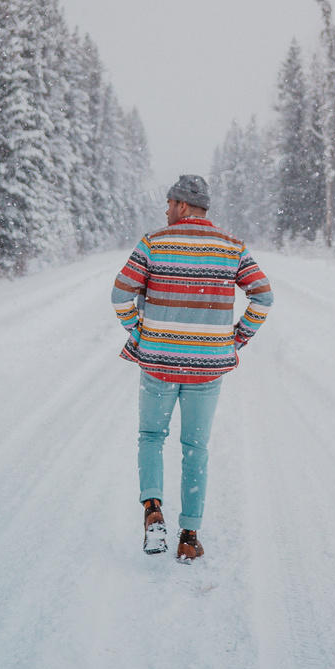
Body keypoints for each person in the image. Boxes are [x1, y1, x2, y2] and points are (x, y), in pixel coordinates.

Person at [111, 173, 273, 563]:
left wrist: (143, 332)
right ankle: (188, 535)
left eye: (169, 203)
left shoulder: (153, 242)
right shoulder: (232, 247)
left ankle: (153, 510)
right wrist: (233, 340)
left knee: (151, 436)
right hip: (207, 368)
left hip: (158, 363)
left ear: (182, 205)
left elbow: (120, 294)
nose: (166, 210)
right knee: (195, 447)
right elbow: (263, 297)